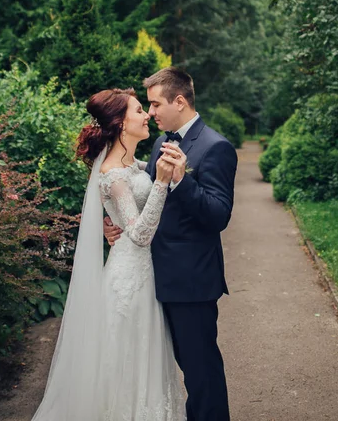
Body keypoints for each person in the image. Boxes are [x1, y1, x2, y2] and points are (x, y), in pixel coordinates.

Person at [31, 88, 186, 421]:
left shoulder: (132, 166)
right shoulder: (113, 175)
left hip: (145, 276)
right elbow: (141, 234)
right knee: (127, 357)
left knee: (143, 355)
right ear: (120, 123)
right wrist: (160, 182)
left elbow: (134, 200)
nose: (147, 115)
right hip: (130, 279)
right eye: (139, 110)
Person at [105, 67, 238, 421]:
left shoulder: (216, 147)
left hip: (190, 281)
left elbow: (218, 216)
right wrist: (115, 225)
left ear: (179, 101)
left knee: (200, 372)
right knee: (169, 367)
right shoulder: (161, 143)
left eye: (154, 104)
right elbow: (146, 199)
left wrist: (183, 181)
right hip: (154, 277)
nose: (150, 112)